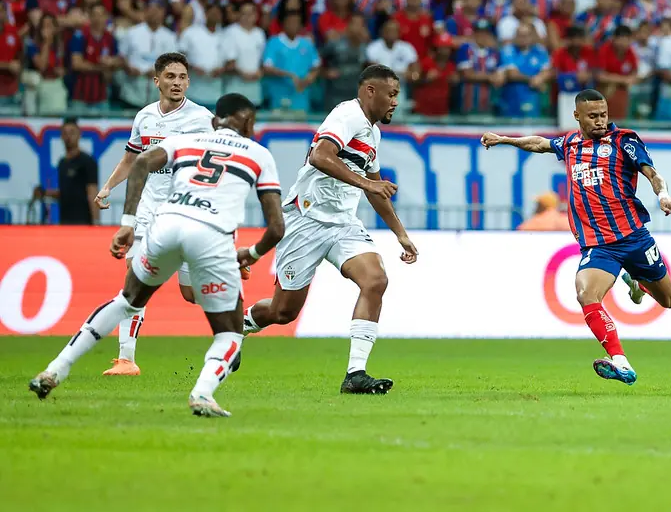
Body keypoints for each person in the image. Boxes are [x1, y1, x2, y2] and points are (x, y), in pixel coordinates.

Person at [29, 93, 285, 418]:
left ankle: (55, 369)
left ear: (214, 121)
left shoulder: (185, 140)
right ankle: (202, 393)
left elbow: (140, 163)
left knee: (127, 301)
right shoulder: (259, 154)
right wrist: (252, 253)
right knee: (229, 332)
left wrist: (127, 223)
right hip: (212, 237)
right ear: (248, 124)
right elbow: (277, 227)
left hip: (166, 225)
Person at [480, 89, 671, 385]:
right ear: (577, 116)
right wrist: (504, 139)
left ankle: (636, 283)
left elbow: (652, 173)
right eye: (593, 116)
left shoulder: (624, 141)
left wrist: (663, 195)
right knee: (586, 294)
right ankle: (621, 362)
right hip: (599, 246)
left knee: (668, 300)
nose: (600, 121)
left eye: (603, 115)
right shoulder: (570, 143)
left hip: (634, 238)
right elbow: (539, 143)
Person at [241, 64, 419, 395]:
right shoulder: (346, 115)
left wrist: (400, 233)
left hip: (343, 223)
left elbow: (375, 188)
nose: (396, 101)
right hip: (305, 219)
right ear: (370, 91)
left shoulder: (373, 133)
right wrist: (367, 183)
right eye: (392, 94)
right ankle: (238, 326)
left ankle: (355, 374)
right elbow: (320, 156)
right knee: (283, 312)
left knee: (375, 280)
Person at [93, 52, 215, 377]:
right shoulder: (144, 117)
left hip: (185, 212)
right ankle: (126, 359)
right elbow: (131, 160)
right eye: (171, 77)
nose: (177, 83)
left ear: (188, 82)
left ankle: (232, 297)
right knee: (134, 276)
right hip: (147, 211)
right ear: (156, 80)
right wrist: (107, 187)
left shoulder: (202, 119)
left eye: (182, 77)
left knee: (191, 294)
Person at [34, 118, 99, 225]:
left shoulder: (87, 161)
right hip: (64, 221)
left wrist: (96, 221)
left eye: (72, 133)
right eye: (65, 133)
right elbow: (65, 193)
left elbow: (93, 192)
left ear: (79, 134)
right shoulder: (62, 163)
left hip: (83, 221)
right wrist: (45, 193)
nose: (68, 137)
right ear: (61, 136)